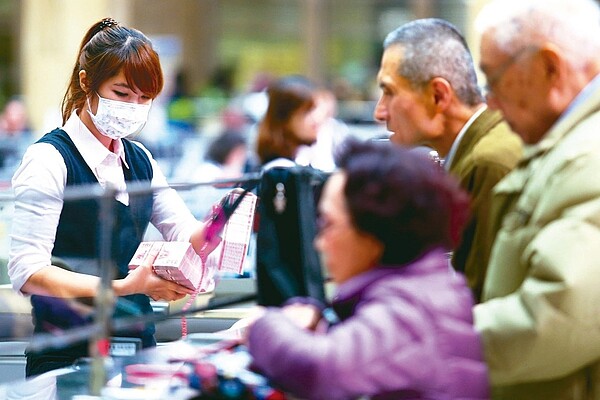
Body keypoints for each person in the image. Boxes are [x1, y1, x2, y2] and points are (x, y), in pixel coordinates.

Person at [7, 18, 219, 377]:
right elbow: (28, 272)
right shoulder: (49, 159)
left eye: (144, 98)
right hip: (66, 356)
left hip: (137, 351)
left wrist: (221, 225)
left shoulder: (140, 160)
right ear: (86, 81)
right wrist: (122, 288)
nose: (133, 108)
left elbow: (183, 230)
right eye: (121, 94)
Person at [244, 139, 489, 399]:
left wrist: (265, 324)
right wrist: (318, 318)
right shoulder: (422, 292)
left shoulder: (408, 311)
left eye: (327, 224)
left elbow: (324, 370)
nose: (319, 242)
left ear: (373, 232)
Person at [473, 0, 600, 398]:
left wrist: (420, 339)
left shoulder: (588, 155)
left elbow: (556, 315)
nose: (489, 100)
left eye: (493, 79)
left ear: (549, 66)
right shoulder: (566, 145)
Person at [374, 18, 523, 302]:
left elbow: (480, 305)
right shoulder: (481, 148)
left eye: (389, 92)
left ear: (439, 95)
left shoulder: (487, 163)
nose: (380, 112)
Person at [255, 74, 320, 169]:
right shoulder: (279, 171)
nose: (316, 119)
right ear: (284, 118)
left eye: (315, 109)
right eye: (306, 112)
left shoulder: (304, 158)